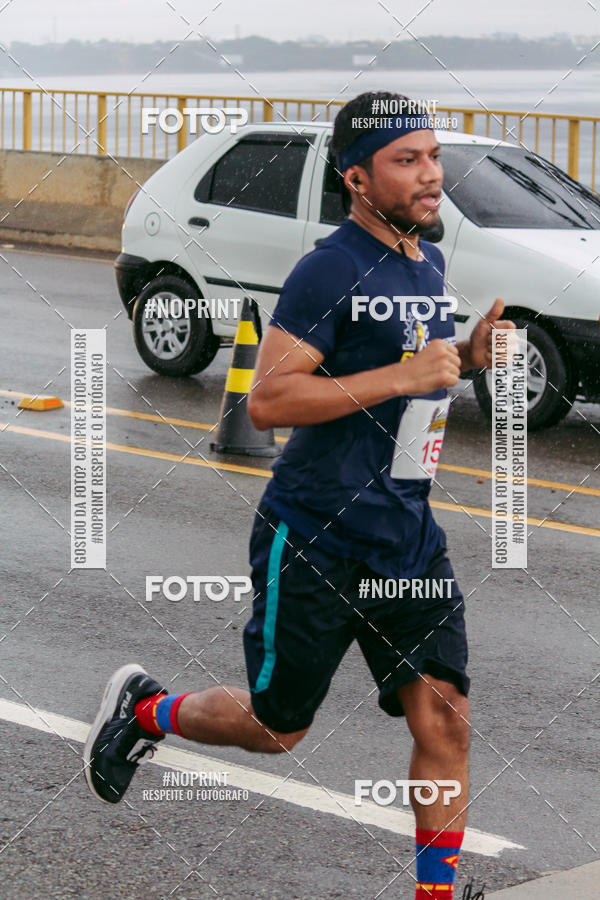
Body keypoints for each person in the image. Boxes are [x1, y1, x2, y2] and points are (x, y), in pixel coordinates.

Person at [84, 91, 513, 899]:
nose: (432, 176)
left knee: (444, 714)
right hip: (316, 536)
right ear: (357, 178)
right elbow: (270, 400)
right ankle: (144, 711)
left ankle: (436, 895)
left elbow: (404, 379)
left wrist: (466, 355)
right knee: (277, 729)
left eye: (432, 156)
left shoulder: (428, 260)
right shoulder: (329, 267)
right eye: (407, 161)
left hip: (408, 535)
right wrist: (407, 372)